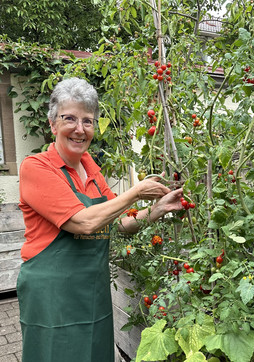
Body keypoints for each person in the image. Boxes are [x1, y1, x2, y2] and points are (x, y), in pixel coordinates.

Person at [17, 77, 184, 362]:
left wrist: (157, 210)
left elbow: (117, 224)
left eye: (88, 121)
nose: (79, 129)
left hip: (92, 293)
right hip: (52, 294)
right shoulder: (36, 168)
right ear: (52, 124)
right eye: (69, 118)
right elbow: (82, 222)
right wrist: (135, 193)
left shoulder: (90, 167)